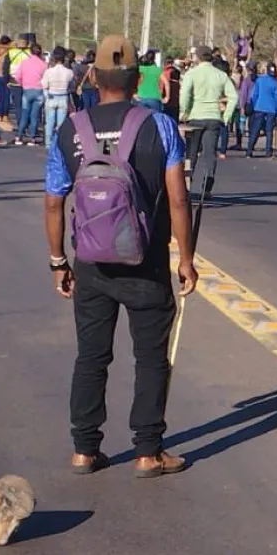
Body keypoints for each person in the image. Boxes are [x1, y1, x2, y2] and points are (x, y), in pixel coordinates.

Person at [44, 34, 196, 478]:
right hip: (145, 264)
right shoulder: (159, 126)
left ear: (92, 77)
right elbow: (178, 201)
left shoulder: (70, 129)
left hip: (91, 263)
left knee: (91, 356)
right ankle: (148, 452)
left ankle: (84, 450)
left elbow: (55, 201)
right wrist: (185, 259)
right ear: (136, 79)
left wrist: (59, 261)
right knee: (150, 357)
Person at [180, 45, 238, 196]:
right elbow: (234, 97)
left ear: (197, 57)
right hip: (213, 117)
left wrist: (184, 112)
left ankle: (187, 185)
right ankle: (207, 187)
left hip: (195, 117)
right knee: (209, 154)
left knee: (191, 154)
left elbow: (185, 94)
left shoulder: (191, 74)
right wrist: (226, 117)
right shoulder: (221, 75)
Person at [246, 62, 277, 158]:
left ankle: (249, 150)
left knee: (255, 129)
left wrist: (253, 104)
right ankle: (268, 151)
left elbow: (255, 94)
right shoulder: (275, 83)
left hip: (259, 107)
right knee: (269, 130)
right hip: (271, 109)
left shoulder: (260, 80)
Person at [15, 43, 48, 146]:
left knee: (25, 114)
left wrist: (22, 83)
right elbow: (46, 78)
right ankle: (32, 138)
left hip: (27, 91)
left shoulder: (24, 62)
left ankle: (19, 136)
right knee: (34, 116)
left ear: (30, 51)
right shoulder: (44, 64)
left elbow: (17, 76)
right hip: (39, 92)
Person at [42, 47, 76, 145]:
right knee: (60, 123)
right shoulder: (69, 72)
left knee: (49, 122)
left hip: (51, 96)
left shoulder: (49, 71)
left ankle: (48, 143)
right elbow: (72, 86)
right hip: (63, 97)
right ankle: (59, 143)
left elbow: (44, 85)